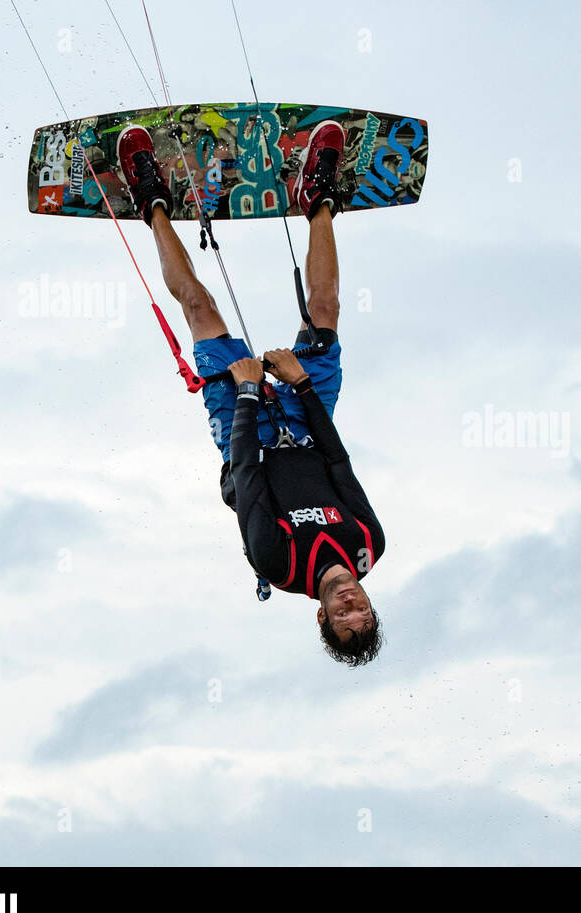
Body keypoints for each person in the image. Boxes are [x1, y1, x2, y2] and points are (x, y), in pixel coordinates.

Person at [116, 119, 385, 666]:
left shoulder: (278, 562)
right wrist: (302, 385)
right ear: (373, 607)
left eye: (342, 617)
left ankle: (151, 200)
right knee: (326, 314)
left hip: (252, 437)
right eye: (363, 613)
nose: (352, 605)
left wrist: (244, 392)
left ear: (322, 616)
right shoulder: (368, 544)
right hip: (309, 424)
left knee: (199, 308)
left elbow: (245, 476)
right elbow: (338, 461)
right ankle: (319, 198)